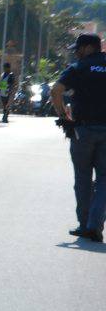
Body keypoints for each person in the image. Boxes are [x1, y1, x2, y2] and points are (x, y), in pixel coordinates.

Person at [51, 33, 106, 243]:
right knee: (104, 179)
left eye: (78, 49)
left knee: (82, 178)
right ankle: (95, 224)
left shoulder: (79, 67)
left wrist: (63, 117)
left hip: (83, 130)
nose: (76, 52)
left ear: (88, 48)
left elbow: (56, 90)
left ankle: (85, 225)